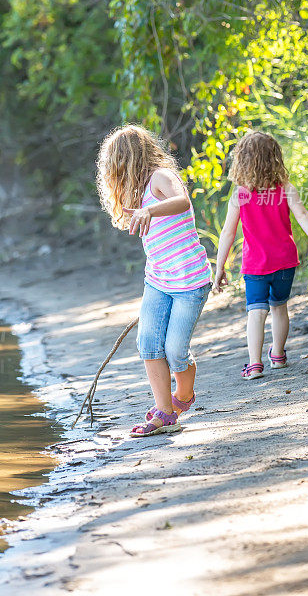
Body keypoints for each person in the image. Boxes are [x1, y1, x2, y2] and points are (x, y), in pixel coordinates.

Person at [97, 125, 212, 437]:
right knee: (148, 343)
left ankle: (184, 395)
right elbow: (130, 219)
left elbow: (182, 202)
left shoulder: (161, 176)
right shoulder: (136, 192)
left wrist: (149, 209)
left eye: (115, 164)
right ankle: (164, 412)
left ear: (129, 158)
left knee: (175, 351)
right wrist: (137, 208)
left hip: (190, 280)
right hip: (159, 280)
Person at [213, 131, 308, 379]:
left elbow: (228, 233)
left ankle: (254, 364)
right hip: (284, 262)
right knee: (279, 308)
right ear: (275, 158)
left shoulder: (240, 195)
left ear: (243, 160)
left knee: (256, 312)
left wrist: (219, 267)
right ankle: (278, 355)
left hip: (256, 265)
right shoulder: (285, 189)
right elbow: (303, 215)